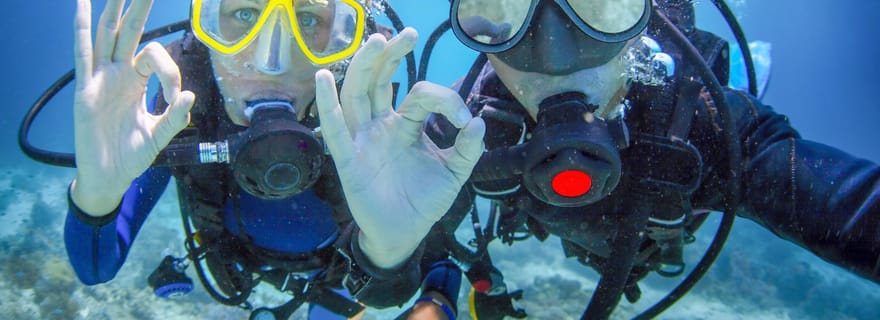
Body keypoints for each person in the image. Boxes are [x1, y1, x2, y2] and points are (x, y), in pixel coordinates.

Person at [422, 0, 880, 318]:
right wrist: (381, 257)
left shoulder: (705, 125)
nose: (553, 56)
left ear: (641, 18)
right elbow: (407, 264)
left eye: (596, 6)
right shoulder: (463, 129)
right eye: (505, 9)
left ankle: (745, 71)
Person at [64, 0, 485, 319]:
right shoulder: (179, 106)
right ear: (204, 23)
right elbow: (96, 266)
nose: (271, 62)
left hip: (339, 281)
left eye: (308, 20)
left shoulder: (371, 116)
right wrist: (97, 194)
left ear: (346, 39)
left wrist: (388, 253)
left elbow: (394, 285)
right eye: (245, 14)